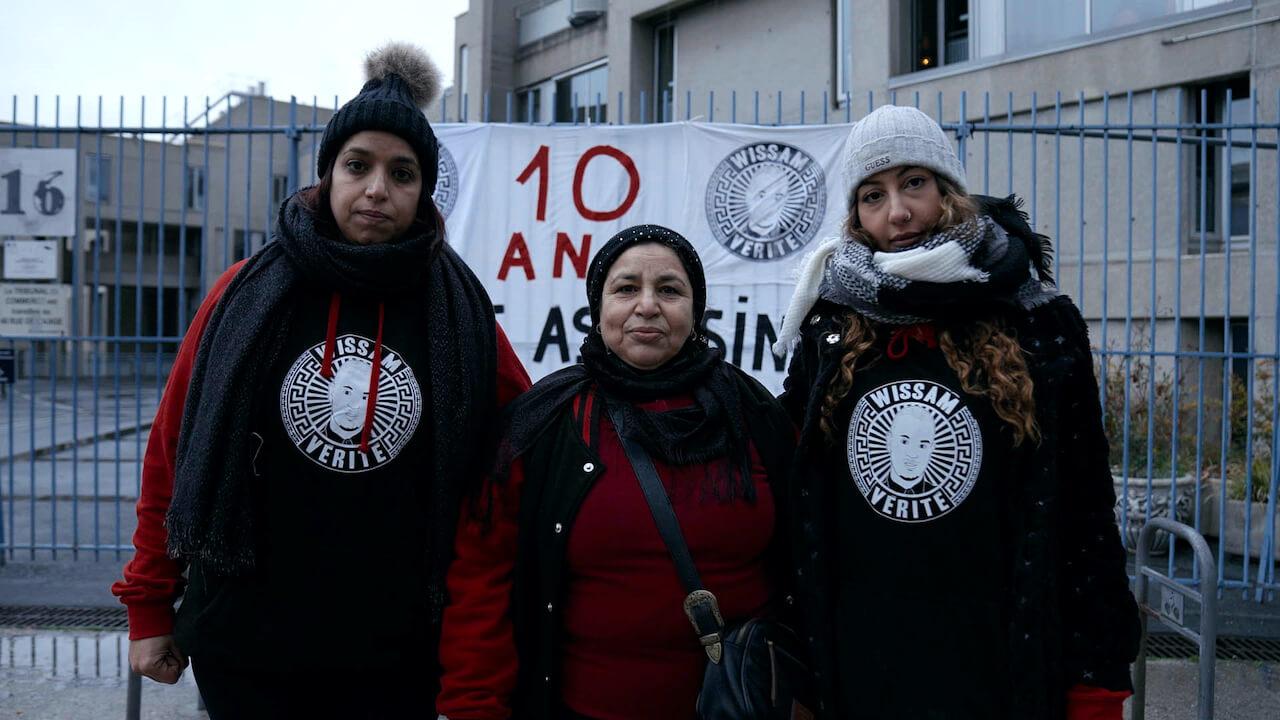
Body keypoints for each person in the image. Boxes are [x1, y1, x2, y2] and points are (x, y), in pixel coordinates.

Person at [110, 42, 531, 718]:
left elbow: (514, 466)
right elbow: (171, 454)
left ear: (423, 191)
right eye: (357, 166)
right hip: (249, 648)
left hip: (398, 656)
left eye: (402, 173)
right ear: (326, 175)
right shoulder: (244, 294)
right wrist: (149, 603)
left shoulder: (462, 311)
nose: (376, 189)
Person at [772, 105, 1140, 719]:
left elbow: (1084, 510)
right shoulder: (831, 324)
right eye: (872, 195)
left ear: (948, 189)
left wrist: (1097, 677)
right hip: (861, 662)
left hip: (997, 660)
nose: (897, 212)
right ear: (856, 216)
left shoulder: (1035, 320)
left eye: (913, 183)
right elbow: (787, 476)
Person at [435, 225, 795, 720]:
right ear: (597, 308)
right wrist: (473, 706)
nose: (647, 305)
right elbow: (483, 576)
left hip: (737, 706)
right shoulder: (545, 422)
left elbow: (812, 559)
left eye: (669, 290)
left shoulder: (755, 415)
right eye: (626, 289)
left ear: (696, 311)